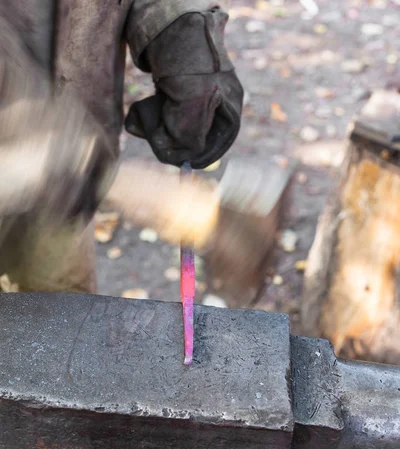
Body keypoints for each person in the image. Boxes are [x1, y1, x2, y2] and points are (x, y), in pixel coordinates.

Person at [0, 1, 243, 293]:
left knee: (65, 317)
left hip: (62, 211)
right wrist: (58, 160)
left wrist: (183, 28)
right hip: (43, 172)